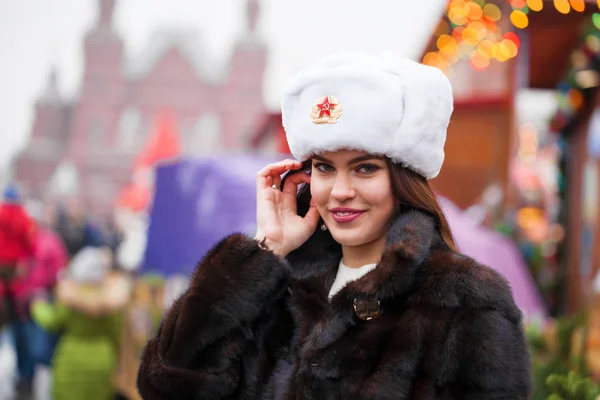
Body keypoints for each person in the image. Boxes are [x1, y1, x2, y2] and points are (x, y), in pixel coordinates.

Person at [137, 52, 532, 399]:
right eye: (325, 167)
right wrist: (265, 249)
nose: (340, 191)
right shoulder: (276, 285)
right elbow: (168, 383)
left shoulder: (467, 301)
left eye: (364, 168)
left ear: (403, 178)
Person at [31, 246, 130, 400]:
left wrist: (37, 306)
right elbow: (117, 334)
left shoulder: (69, 296)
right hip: (102, 361)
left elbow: (51, 321)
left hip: (70, 360)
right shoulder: (112, 303)